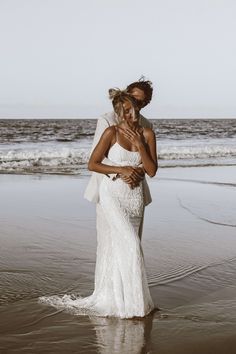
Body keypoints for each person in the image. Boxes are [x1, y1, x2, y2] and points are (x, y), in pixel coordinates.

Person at [39, 90, 158, 319]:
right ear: (119, 112)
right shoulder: (110, 130)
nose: (132, 114)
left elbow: (151, 170)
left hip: (135, 198)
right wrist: (121, 170)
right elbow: (93, 164)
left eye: (135, 109)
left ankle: (128, 303)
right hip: (111, 195)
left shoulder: (148, 132)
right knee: (130, 245)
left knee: (124, 248)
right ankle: (126, 306)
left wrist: (140, 145)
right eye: (127, 111)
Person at [84, 78, 154, 242]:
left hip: (136, 189)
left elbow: (148, 161)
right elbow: (97, 158)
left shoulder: (147, 125)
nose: (136, 105)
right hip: (110, 188)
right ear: (126, 95)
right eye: (134, 98)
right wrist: (123, 170)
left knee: (134, 242)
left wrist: (137, 171)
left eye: (141, 102)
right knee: (109, 241)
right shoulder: (107, 120)